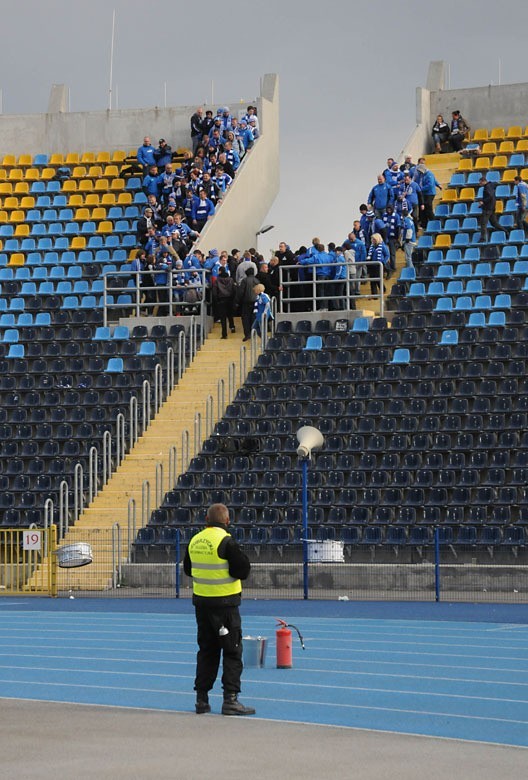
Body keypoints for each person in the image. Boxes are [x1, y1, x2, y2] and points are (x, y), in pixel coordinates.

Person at [183, 503, 255, 716]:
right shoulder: (226, 541)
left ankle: (201, 699)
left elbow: (188, 569)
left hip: (202, 605)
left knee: (207, 651)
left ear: (206, 520)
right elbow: (243, 570)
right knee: (232, 651)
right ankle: (230, 699)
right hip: (225, 606)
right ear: (227, 521)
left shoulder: (195, 540)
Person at [212, 268, 236, 338]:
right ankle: (232, 327)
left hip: (221, 300)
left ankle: (224, 334)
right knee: (230, 314)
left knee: (223, 318)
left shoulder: (217, 281)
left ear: (219, 271)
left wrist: (216, 300)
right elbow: (234, 290)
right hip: (230, 299)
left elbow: (214, 292)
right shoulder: (231, 280)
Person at [478, 176, 502, 242]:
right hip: (492, 208)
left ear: (483, 181)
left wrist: (483, 202)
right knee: (494, 223)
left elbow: (490, 196)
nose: (480, 184)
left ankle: (483, 239)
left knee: (483, 223)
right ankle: (505, 232)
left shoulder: (487, 187)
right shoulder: (491, 185)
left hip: (487, 209)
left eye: (480, 183)